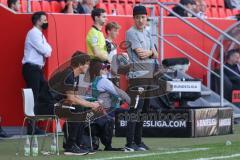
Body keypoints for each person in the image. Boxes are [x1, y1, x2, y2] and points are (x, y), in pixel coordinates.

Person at [36, 51, 101, 155]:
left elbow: (75, 97)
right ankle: (70, 146)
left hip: (56, 104)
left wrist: (91, 104)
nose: (88, 67)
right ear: (80, 64)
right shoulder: (68, 74)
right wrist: (92, 105)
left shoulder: (74, 75)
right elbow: (71, 98)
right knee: (78, 109)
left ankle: (77, 144)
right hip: (45, 106)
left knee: (82, 108)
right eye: (87, 64)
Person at [124, 5, 158, 152]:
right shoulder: (131, 33)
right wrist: (151, 52)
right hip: (138, 77)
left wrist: (150, 52)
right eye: (137, 17)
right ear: (134, 19)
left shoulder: (148, 32)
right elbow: (141, 54)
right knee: (135, 110)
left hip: (149, 76)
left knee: (144, 111)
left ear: (146, 18)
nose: (140, 20)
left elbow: (156, 54)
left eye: (142, 17)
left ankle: (138, 141)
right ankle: (129, 143)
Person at [88, 59, 130, 151]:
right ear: (98, 70)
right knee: (111, 109)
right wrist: (133, 102)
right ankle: (108, 145)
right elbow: (120, 93)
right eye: (105, 68)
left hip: (87, 112)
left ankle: (93, 142)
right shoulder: (103, 81)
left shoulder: (84, 79)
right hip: (102, 112)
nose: (107, 70)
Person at [22, 11, 52, 135]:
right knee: (33, 96)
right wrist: (47, 50)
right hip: (31, 69)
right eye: (44, 19)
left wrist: (47, 50)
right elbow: (46, 51)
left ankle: (35, 125)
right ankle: (32, 127)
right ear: (38, 21)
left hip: (36, 69)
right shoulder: (34, 33)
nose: (46, 22)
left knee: (42, 94)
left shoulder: (39, 34)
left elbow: (49, 49)